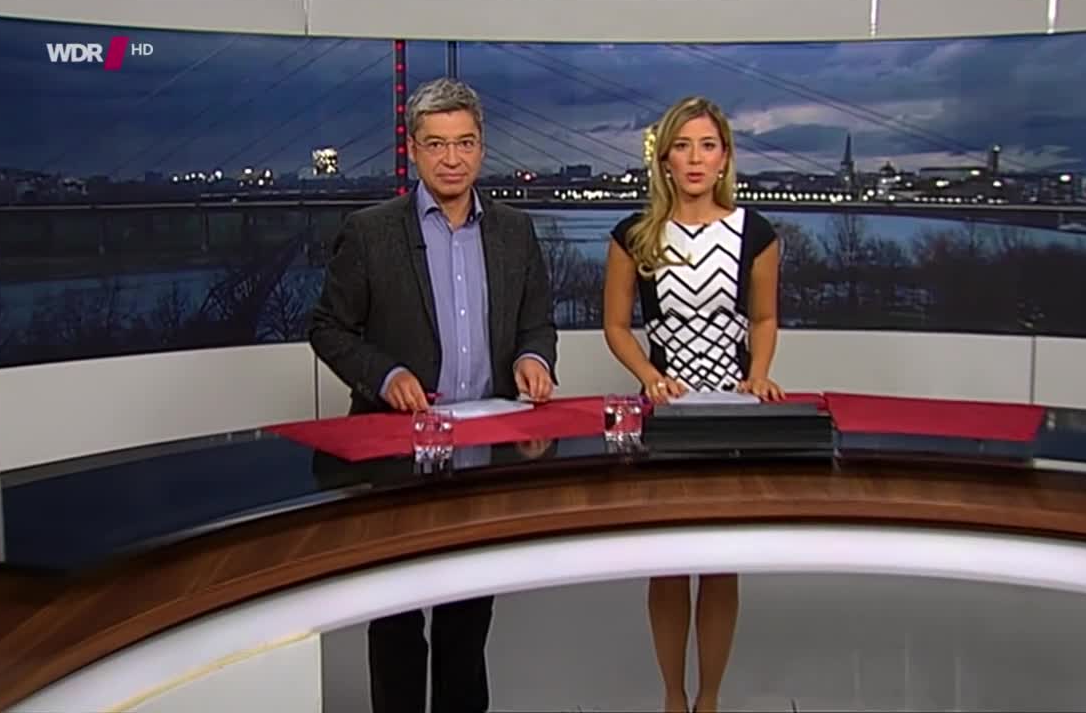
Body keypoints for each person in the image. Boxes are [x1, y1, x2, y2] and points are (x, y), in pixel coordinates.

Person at [308, 76, 558, 713]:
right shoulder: (370, 232)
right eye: (437, 144)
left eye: (465, 143)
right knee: (395, 621)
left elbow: (536, 323)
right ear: (414, 151)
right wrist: (384, 374)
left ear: (482, 148)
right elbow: (327, 327)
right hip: (396, 455)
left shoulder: (515, 232)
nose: (452, 158)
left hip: (483, 454)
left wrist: (533, 358)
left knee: (466, 624)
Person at [601, 96, 785, 713]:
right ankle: (673, 697)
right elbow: (616, 326)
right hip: (664, 417)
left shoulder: (756, 234)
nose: (696, 158)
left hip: (732, 416)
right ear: (665, 160)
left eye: (707, 145)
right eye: (682, 146)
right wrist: (649, 377)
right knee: (668, 561)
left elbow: (764, 318)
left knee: (720, 561)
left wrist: (758, 376)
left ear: (725, 156)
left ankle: (709, 698)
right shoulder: (634, 235)